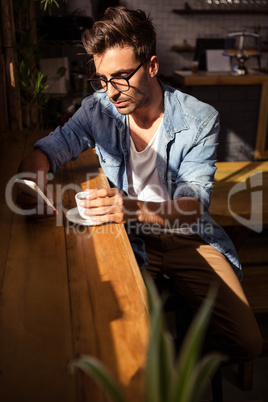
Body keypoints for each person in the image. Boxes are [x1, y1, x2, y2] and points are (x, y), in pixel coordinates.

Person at [17, 6, 262, 362]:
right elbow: (49, 149)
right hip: (125, 239)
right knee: (112, 339)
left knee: (247, 343)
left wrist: (128, 207)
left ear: (151, 66)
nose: (111, 92)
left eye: (120, 77)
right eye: (101, 79)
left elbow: (192, 207)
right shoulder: (98, 109)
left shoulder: (199, 119)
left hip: (186, 238)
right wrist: (30, 184)